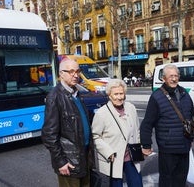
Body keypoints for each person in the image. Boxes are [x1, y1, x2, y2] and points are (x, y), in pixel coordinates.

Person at [140, 64, 194, 187]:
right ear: (164, 78)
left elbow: (190, 116)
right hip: (168, 147)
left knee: (181, 178)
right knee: (167, 180)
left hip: (184, 146)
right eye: (171, 76)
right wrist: (146, 145)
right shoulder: (157, 96)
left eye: (176, 76)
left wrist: (191, 138)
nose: (174, 79)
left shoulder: (184, 93)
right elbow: (147, 123)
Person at [41, 58, 93, 187]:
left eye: (77, 71)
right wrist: (60, 161)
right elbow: (49, 135)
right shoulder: (55, 97)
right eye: (70, 72)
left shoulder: (76, 93)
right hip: (69, 160)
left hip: (84, 155)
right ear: (61, 74)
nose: (75, 75)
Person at [91, 79, 143, 187]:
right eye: (116, 94)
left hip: (132, 156)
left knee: (137, 184)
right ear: (109, 95)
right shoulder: (101, 113)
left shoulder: (131, 108)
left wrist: (140, 147)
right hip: (114, 158)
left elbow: (137, 130)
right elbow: (95, 136)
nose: (119, 97)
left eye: (121, 93)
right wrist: (108, 152)